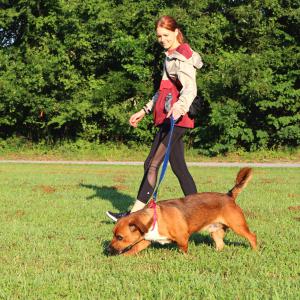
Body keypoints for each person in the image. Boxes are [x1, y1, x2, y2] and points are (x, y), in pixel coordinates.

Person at [106, 15, 203, 222]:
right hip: (167, 118)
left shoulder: (182, 57)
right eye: (159, 36)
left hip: (176, 119)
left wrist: (179, 107)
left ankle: (135, 216)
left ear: (176, 32)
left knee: (151, 163)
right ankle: (200, 214)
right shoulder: (169, 56)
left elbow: (190, 88)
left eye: (166, 35)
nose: (162, 39)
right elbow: (162, 91)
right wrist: (145, 110)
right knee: (179, 168)